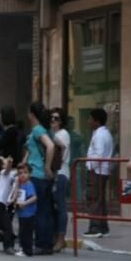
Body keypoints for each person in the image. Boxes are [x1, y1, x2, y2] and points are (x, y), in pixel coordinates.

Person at [21, 102, 56, 255]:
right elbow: (58, 144)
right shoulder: (46, 130)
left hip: (37, 174)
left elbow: (51, 146)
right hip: (44, 176)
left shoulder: (37, 130)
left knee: (39, 211)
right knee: (46, 210)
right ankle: (47, 243)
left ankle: (41, 243)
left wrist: (47, 166)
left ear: (31, 114)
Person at [83, 108, 114, 238]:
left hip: (97, 171)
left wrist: (90, 166)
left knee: (94, 198)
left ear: (97, 121)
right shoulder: (103, 133)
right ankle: (103, 226)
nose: (88, 121)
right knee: (99, 199)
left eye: (90, 119)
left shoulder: (100, 135)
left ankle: (95, 227)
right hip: (101, 170)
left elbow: (99, 154)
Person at [49, 108, 71, 253]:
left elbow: (61, 152)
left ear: (61, 121)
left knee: (61, 206)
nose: (52, 121)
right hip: (54, 173)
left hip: (61, 173)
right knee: (55, 207)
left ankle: (61, 238)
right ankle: (56, 237)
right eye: (51, 118)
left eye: (56, 118)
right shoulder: (55, 134)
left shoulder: (63, 134)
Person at [13, 164, 38, 257]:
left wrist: (25, 203)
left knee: (26, 233)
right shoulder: (20, 185)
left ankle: (27, 250)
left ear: (30, 174)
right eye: (20, 173)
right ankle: (23, 248)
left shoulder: (28, 184)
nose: (22, 175)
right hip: (22, 213)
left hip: (28, 213)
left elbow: (34, 197)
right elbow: (16, 195)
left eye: (25, 173)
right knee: (22, 232)